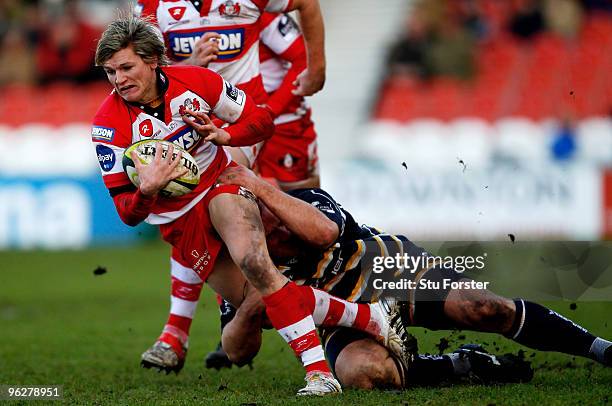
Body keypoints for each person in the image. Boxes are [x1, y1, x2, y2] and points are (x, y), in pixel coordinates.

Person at [91, 17, 414, 396]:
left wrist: (225, 134)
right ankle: (372, 317)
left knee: (255, 261)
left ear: (153, 61)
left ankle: (319, 374)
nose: (119, 79)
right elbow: (127, 213)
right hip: (180, 222)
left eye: (126, 67)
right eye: (110, 71)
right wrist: (147, 190)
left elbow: (261, 120)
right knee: (254, 302)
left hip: (221, 184)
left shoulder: (198, 83)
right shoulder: (107, 127)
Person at [210, 164, 612, 389]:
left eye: (261, 207)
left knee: (485, 307)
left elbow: (325, 233)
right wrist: (253, 302)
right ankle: (462, 364)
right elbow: (237, 352)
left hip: (387, 270)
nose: (270, 225)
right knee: (363, 375)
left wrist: (261, 188)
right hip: (340, 317)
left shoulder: (305, 200)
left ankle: (599, 348)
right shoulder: (240, 262)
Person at [141, 11, 321, 373]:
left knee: (305, 223)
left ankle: (338, 318)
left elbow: (301, 41)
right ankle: (181, 331)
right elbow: (147, 69)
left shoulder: (252, 8)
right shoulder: (153, 8)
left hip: (272, 119)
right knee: (195, 195)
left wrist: (288, 94)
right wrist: (187, 66)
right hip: (204, 124)